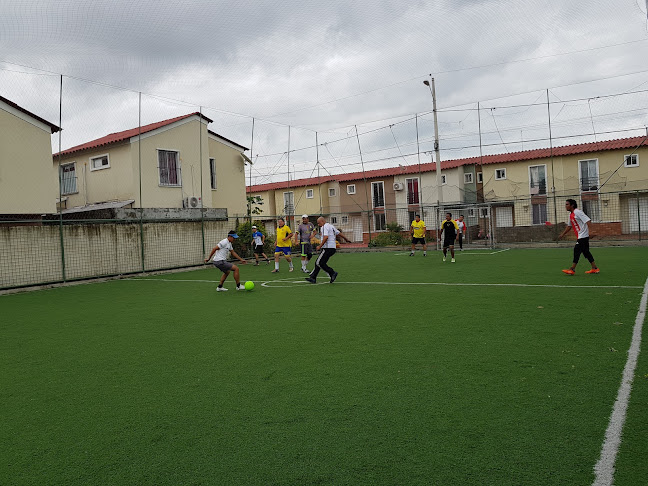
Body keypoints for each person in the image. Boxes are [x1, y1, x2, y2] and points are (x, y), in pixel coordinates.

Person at [557, 199, 600, 275]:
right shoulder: (571, 215)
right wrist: (562, 234)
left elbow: (588, 221)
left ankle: (572, 269)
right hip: (581, 236)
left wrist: (591, 232)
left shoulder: (578, 212)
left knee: (576, 250)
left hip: (583, 236)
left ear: (572, 205)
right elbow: (569, 226)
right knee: (586, 252)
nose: (565, 206)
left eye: (567, 204)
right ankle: (595, 268)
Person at [305, 216, 339, 284]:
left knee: (319, 263)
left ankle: (332, 273)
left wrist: (320, 246)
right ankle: (313, 277)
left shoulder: (324, 227)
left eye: (319, 223)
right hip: (332, 248)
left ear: (322, 221)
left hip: (327, 248)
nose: (318, 225)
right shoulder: (331, 226)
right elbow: (338, 233)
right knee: (320, 262)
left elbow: (326, 237)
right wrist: (346, 239)